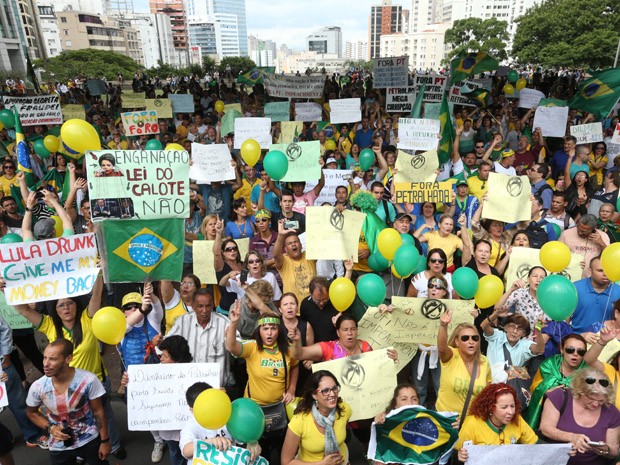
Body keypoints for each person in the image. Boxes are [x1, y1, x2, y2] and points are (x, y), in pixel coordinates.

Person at [10, 276, 125, 459]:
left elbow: (96, 294)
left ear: (76, 305)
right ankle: (80, 451)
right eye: (60, 305)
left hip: (96, 381)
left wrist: (98, 273)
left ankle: (114, 445)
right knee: (74, 420)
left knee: (105, 416)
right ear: (55, 310)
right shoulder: (48, 324)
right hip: (65, 387)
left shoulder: (88, 318)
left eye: (69, 303)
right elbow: (23, 310)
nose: (66, 308)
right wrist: (8, 288)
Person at [226, 305, 298, 464]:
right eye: (265, 328)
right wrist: (234, 323)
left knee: (283, 455)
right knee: (258, 457)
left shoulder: (287, 349)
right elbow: (231, 346)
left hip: (279, 410)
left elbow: (294, 365)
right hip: (254, 413)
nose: (269, 332)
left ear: (278, 330)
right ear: (259, 330)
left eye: (273, 328)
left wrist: (292, 389)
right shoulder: (252, 347)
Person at [26, 340, 111, 465]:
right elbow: (31, 412)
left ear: (68, 359)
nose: (45, 364)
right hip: (58, 445)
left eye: (53, 359)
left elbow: (98, 411)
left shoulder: (88, 380)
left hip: (90, 440)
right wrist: (51, 428)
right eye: (45, 358)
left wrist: (105, 441)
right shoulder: (38, 386)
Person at [539, 368, 620, 464]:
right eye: (591, 398)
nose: (595, 404)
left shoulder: (611, 412)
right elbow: (545, 428)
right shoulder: (559, 396)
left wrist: (606, 449)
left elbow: (614, 449)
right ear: (579, 391)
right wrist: (572, 437)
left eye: (601, 401)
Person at [165, 289, 236, 392]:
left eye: (208, 306)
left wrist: (232, 336)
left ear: (213, 305)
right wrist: (159, 343)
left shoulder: (224, 323)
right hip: (188, 388)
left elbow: (239, 350)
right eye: (200, 306)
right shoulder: (183, 322)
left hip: (218, 389)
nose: (204, 310)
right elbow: (165, 345)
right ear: (193, 306)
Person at [280, 370, 352, 465]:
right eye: (325, 391)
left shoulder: (344, 409)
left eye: (334, 388)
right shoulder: (300, 421)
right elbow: (286, 462)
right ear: (314, 395)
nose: (332, 394)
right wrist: (322, 464)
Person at [179, 382, 261, 463]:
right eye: (203, 407)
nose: (209, 410)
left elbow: (243, 436)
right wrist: (210, 442)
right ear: (192, 410)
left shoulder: (227, 416)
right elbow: (186, 450)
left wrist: (252, 443)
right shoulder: (191, 426)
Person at [456, 383, 538, 463]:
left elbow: (535, 444)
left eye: (512, 406)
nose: (510, 412)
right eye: (504, 407)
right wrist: (460, 454)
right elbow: (457, 452)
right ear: (491, 408)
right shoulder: (472, 423)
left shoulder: (517, 419)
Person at [525, 334, 588, 430]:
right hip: (545, 414)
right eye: (570, 350)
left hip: (574, 418)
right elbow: (534, 388)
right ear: (562, 349)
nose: (575, 354)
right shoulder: (548, 365)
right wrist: (546, 392)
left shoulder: (587, 372)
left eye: (580, 352)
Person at [436, 310, 492, 416]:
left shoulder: (484, 361)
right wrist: (443, 326)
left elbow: (487, 393)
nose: (471, 341)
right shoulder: (451, 355)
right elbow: (442, 349)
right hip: (447, 422)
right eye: (465, 338)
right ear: (457, 341)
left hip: (471, 423)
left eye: (475, 338)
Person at [569, 256, 620, 339]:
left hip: (609, 341)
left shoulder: (618, 292)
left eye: (608, 270)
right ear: (590, 271)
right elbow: (566, 318)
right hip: (578, 339)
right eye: (600, 270)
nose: (605, 274)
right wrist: (570, 338)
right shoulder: (575, 288)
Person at [493, 266, 548, 335]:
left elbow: (553, 322)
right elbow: (497, 308)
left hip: (541, 337)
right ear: (528, 279)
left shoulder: (549, 297)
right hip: (520, 336)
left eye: (542, 277)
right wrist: (511, 289)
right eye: (535, 276)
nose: (538, 280)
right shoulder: (520, 293)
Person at [273, 221, 316, 304]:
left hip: (313, 307)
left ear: (301, 245)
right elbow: (275, 254)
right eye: (290, 243)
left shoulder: (309, 255)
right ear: (285, 249)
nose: (293, 245)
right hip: (293, 310)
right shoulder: (284, 261)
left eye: (296, 242)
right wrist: (280, 235)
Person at [299, 277, 340, 343]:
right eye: (317, 301)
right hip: (315, 346)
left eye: (325, 299)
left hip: (335, 344)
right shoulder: (305, 304)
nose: (321, 303)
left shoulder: (335, 301)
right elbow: (304, 327)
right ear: (311, 294)